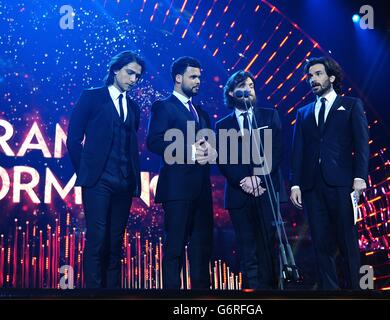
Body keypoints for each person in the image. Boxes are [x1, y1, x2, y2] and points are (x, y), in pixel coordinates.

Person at [67, 51, 145, 288]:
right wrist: (87, 172)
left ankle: (113, 293)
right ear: (115, 70)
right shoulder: (92, 97)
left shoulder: (133, 107)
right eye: (129, 72)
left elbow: (130, 147)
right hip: (98, 181)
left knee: (115, 242)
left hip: (124, 182)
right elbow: (73, 139)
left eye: (137, 76)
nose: (133, 79)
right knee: (97, 239)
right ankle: (93, 293)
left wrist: (133, 180)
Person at [290, 56, 369, 290]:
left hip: (341, 184)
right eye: (310, 76)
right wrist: (295, 184)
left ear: (331, 77)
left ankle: (358, 290)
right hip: (313, 186)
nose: (313, 79)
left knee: (347, 241)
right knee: (321, 244)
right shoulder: (303, 112)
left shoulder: (351, 105)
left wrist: (360, 177)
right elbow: (298, 152)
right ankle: (329, 293)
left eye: (318, 74)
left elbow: (361, 144)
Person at [147, 56, 216, 289]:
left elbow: (209, 147)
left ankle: (201, 300)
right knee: (175, 247)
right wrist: (189, 151)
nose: (198, 81)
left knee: (201, 248)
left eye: (199, 77)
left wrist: (211, 152)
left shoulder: (202, 113)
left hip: (201, 190)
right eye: (193, 76)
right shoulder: (163, 106)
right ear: (178, 78)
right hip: (177, 188)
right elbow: (154, 142)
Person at [215, 70, 284, 289]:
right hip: (238, 194)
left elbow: (277, 150)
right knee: (247, 247)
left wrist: (258, 178)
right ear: (232, 93)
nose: (248, 90)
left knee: (268, 245)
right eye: (242, 87)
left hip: (266, 192)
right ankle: (253, 293)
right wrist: (243, 181)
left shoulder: (269, 115)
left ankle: (272, 291)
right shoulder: (222, 125)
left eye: (251, 85)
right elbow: (223, 160)